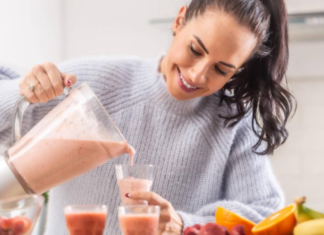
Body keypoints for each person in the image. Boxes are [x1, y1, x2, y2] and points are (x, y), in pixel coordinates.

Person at [0, 0, 295, 234]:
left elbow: (264, 214)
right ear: (179, 20)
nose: (196, 74)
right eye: (195, 49)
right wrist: (26, 90)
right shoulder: (97, 84)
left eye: (222, 69)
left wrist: (183, 224)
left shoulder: (232, 122)